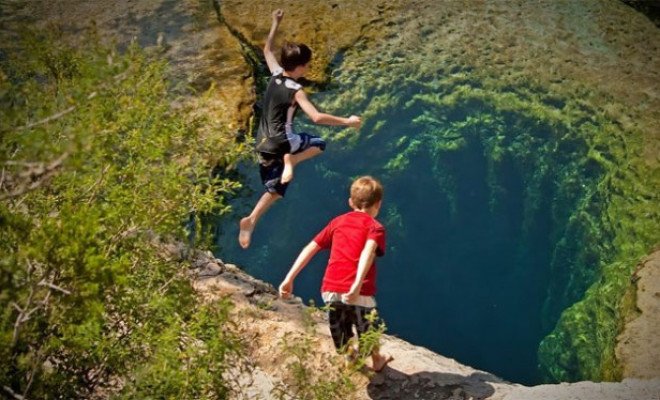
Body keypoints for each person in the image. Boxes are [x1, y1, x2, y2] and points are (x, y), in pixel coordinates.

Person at [238, 9, 362, 249]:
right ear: (300, 67)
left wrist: (275, 22)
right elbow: (316, 117)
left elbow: (266, 50)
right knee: (319, 145)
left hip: (262, 143)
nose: (307, 69)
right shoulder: (296, 90)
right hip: (284, 142)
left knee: (275, 188)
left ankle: (251, 219)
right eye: (306, 66)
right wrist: (348, 121)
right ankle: (291, 161)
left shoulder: (275, 75)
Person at [279, 176, 393, 372]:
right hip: (359, 291)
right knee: (368, 326)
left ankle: (350, 358)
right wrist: (357, 284)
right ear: (378, 204)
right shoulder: (376, 227)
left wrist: (289, 278)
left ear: (351, 202)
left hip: (330, 287)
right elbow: (368, 252)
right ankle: (376, 360)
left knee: (340, 326)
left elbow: (311, 248)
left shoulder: (337, 222)